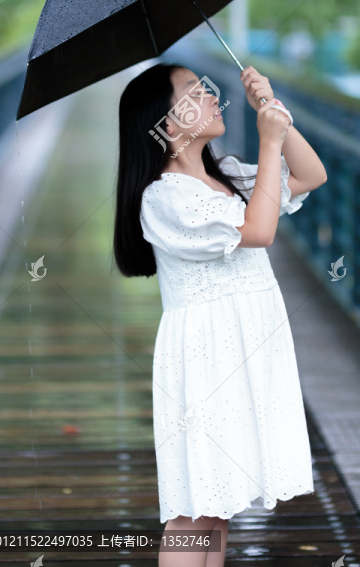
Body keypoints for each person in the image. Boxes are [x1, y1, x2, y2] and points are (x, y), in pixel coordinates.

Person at [113, 62, 328, 567]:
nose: (212, 96)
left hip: (251, 339)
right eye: (193, 92)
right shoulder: (164, 197)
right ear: (165, 124)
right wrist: (269, 142)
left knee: (222, 502)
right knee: (196, 505)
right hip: (207, 356)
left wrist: (275, 116)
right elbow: (259, 231)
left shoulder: (226, 175)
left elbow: (311, 176)